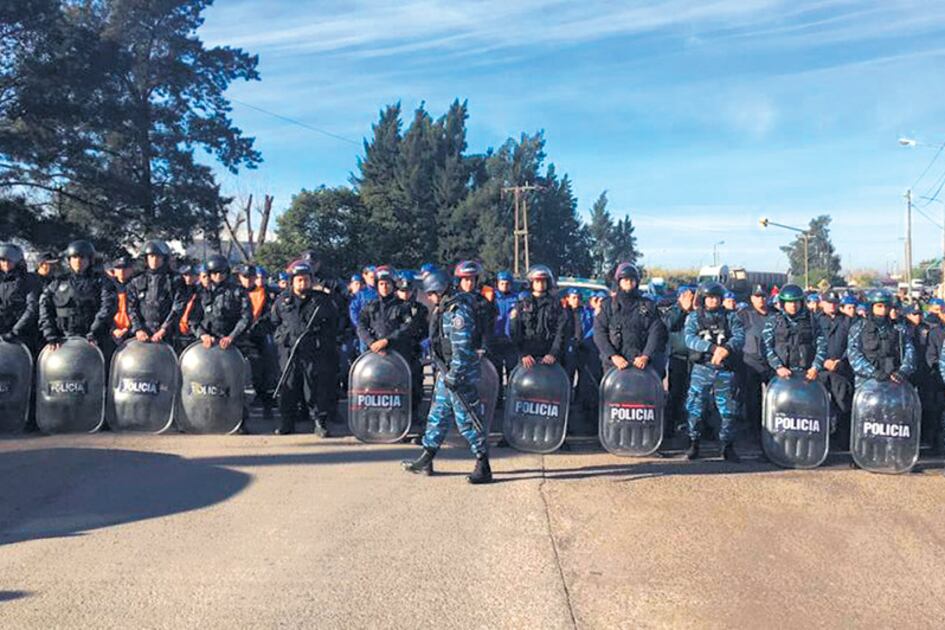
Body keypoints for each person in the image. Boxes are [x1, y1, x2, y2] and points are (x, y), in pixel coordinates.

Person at [401, 269, 492, 484]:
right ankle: (426, 458)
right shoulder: (445, 308)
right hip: (447, 372)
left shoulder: (458, 311)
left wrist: (454, 376)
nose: (429, 298)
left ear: (440, 291)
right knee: (437, 416)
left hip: (459, 376)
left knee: (468, 420)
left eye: (431, 293)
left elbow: (461, 348)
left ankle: (483, 464)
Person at [270, 262, 339, 436]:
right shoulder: (282, 300)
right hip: (290, 350)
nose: (303, 284)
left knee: (315, 388)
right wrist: (282, 339)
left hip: (313, 351)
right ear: (292, 281)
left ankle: (319, 423)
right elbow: (274, 323)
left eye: (306, 280)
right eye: (299, 280)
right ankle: (287, 422)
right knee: (288, 387)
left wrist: (321, 342)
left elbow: (333, 324)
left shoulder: (321, 300)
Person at [683, 282, 745, 462]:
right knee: (695, 407)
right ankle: (694, 442)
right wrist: (711, 348)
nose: (712, 301)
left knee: (729, 410)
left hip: (726, 370)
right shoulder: (694, 317)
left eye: (716, 297)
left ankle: (727, 446)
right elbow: (689, 338)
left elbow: (739, 336)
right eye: (709, 297)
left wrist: (726, 349)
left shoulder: (731, 317)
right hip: (702, 369)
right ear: (703, 299)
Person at [192, 255, 253, 430]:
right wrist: (202, 335)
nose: (218, 276)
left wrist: (232, 336)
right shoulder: (201, 293)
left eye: (222, 272)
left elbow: (246, 317)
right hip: (207, 346)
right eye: (214, 273)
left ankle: (239, 420)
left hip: (233, 344)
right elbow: (193, 319)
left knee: (235, 384)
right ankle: (204, 417)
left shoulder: (238, 291)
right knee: (207, 383)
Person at [38, 240, 116, 355]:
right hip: (62, 340)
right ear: (69, 260)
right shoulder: (58, 282)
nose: (78, 261)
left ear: (90, 260)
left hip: (93, 340)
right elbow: (44, 307)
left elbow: (107, 307)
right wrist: (50, 334)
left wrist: (94, 331)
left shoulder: (101, 282)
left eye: (82, 257)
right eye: (74, 257)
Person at [847, 289, 915, 388]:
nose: (883, 309)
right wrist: (874, 372)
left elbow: (909, 351)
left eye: (886, 306)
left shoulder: (899, 328)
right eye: (879, 306)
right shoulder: (858, 328)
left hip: (894, 381)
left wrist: (903, 371)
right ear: (871, 307)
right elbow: (854, 354)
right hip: (867, 383)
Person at [510, 264, 572, 368]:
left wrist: (553, 353)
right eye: (537, 281)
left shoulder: (556, 304)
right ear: (531, 282)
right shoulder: (522, 304)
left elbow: (562, 330)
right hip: (527, 358)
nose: (540, 284)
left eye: (543, 281)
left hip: (550, 357)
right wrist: (523, 354)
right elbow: (515, 330)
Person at [126, 240, 185, 349]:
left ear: (164, 258)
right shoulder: (137, 280)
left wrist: (163, 330)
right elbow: (131, 307)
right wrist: (138, 329)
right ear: (146, 258)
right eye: (151, 256)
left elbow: (178, 307)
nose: (154, 260)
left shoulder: (175, 280)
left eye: (158, 257)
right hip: (142, 335)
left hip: (167, 335)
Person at [762, 283, 826, 384]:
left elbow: (822, 345)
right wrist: (778, 367)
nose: (793, 305)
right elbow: (766, 346)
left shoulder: (812, 321)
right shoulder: (774, 321)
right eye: (789, 302)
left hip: (807, 375)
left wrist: (815, 367)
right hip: (782, 375)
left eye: (796, 302)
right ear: (783, 303)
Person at [235, 263, 277, 409]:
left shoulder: (266, 293)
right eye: (246, 277)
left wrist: (258, 327)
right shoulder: (233, 291)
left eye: (252, 277)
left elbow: (270, 315)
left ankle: (263, 396)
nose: (249, 280)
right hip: (236, 335)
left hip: (257, 335)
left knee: (260, 367)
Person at [817, 291, 854, 448]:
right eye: (828, 302)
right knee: (820, 405)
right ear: (822, 303)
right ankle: (821, 438)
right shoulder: (815, 321)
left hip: (842, 369)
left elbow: (853, 344)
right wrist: (823, 361)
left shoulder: (848, 321)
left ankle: (842, 440)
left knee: (843, 405)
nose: (832, 305)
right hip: (820, 369)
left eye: (834, 302)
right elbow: (810, 342)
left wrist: (841, 360)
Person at [736, 284, 771, 441]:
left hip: (772, 362)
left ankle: (772, 427)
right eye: (757, 296)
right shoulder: (744, 315)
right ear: (751, 298)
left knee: (774, 398)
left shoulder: (776, 314)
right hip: (750, 362)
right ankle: (754, 430)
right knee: (752, 399)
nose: (761, 299)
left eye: (763, 296)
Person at [395, 269, 429, 421]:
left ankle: (414, 413)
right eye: (402, 291)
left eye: (408, 291)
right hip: (395, 351)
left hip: (414, 351)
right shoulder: (392, 309)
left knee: (415, 386)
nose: (405, 294)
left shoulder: (421, 310)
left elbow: (427, 332)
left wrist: (424, 345)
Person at [663, 285, 696, 438]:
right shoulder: (673, 311)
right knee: (675, 394)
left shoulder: (698, 312)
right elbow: (669, 325)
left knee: (694, 395)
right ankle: (669, 427)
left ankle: (692, 428)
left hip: (696, 360)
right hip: (678, 358)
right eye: (687, 296)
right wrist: (682, 309)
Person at [0, 243, 40, 353]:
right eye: (3, 261)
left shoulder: (28, 280)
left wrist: (15, 331)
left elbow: (32, 308)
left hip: (24, 334)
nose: (6, 264)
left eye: (9, 261)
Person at [486, 270, 518, 390]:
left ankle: (511, 395)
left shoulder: (516, 299)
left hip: (510, 340)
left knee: (512, 371)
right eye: (502, 283)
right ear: (497, 284)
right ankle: (497, 399)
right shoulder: (492, 298)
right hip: (495, 339)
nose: (504, 286)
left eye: (507, 283)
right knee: (495, 372)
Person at [108, 257, 136, 349]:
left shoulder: (138, 286)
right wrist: (113, 329)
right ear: (114, 270)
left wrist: (131, 328)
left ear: (131, 270)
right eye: (118, 268)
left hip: (133, 333)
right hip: (112, 333)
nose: (122, 271)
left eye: (125, 268)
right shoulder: (108, 288)